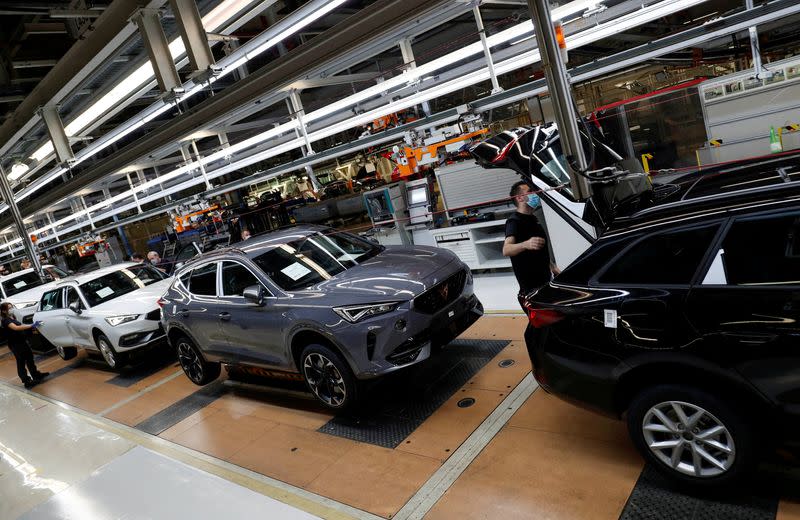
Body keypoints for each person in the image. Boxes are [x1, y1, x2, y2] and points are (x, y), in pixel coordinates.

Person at [503, 181, 560, 310]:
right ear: (519, 198)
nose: (535, 194)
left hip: (544, 282)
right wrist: (525, 244)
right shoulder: (514, 221)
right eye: (530, 191)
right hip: (531, 290)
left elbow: (539, 250)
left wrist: (553, 267)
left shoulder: (534, 219)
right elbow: (506, 249)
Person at [1, 302, 48, 388]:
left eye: (12, 307)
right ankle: (26, 381)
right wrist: (31, 325)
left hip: (22, 342)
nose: (12, 309)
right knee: (21, 362)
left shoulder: (12, 317)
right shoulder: (5, 320)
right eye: (9, 308)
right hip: (15, 344)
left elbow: (21, 325)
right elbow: (16, 328)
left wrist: (31, 326)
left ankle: (36, 375)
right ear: (4, 311)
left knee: (30, 358)